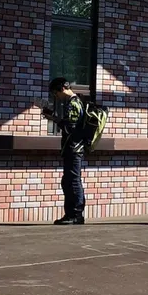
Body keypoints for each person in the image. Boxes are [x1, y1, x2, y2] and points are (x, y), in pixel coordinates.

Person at [43, 77, 88, 225]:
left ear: (62, 89)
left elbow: (70, 128)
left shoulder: (73, 103)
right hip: (72, 148)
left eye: (56, 93)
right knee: (68, 181)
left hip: (74, 149)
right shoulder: (73, 102)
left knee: (73, 181)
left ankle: (75, 214)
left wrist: (54, 119)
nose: (56, 97)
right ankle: (71, 213)